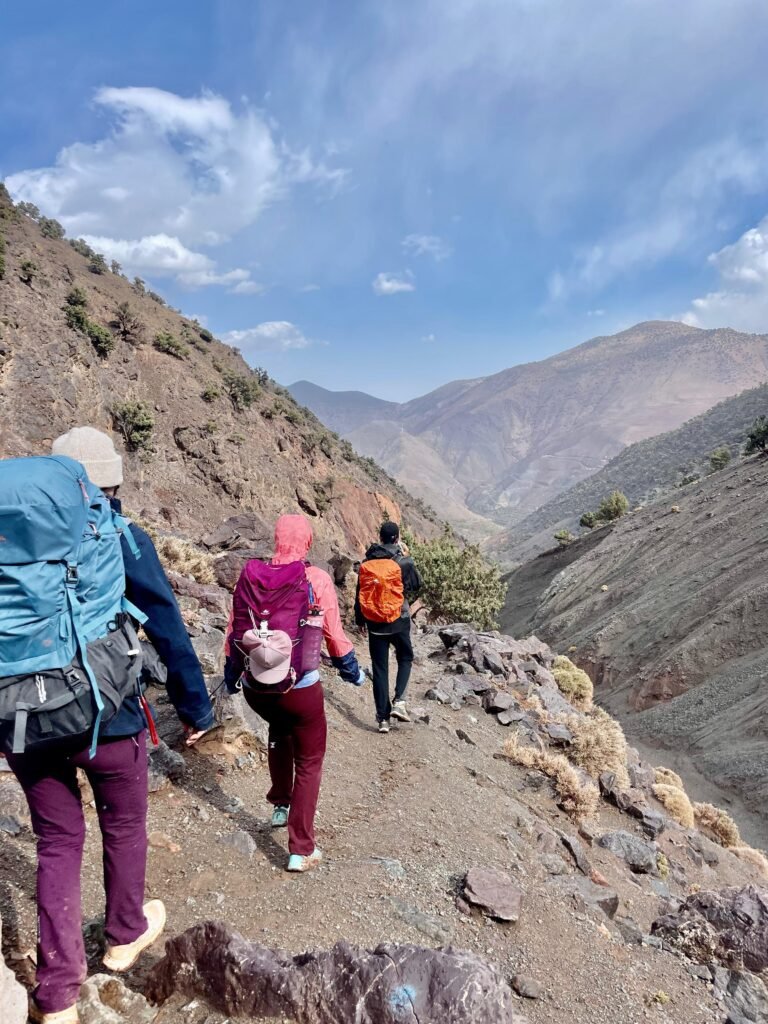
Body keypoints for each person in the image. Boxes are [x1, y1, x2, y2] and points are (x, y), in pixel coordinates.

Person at [3, 427, 215, 1024]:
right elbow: (166, 624)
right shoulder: (119, 534)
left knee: (57, 840)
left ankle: (58, 995)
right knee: (123, 823)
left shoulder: (7, 546)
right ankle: (124, 934)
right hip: (109, 715)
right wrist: (196, 708)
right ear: (107, 483)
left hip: (23, 718)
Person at [224, 514, 364, 873]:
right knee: (309, 760)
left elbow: (233, 630)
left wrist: (231, 676)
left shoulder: (251, 576)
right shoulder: (315, 578)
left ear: (276, 538)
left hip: (256, 686)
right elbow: (334, 635)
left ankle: (280, 806)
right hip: (298, 688)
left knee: (279, 729)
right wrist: (352, 672)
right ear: (307, 541)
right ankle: (301, 848)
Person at [355, 521, 422, 733]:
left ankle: (383, 719)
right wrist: (408, 557)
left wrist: (360, 620)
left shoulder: (367, 563)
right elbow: (416, 585)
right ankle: (400, 701)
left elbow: (360, 593)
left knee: (380, 669)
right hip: (399, 620)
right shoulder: (403, 561)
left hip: (375, 623)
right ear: (397, 538)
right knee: (405, 657)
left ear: (380, 538)